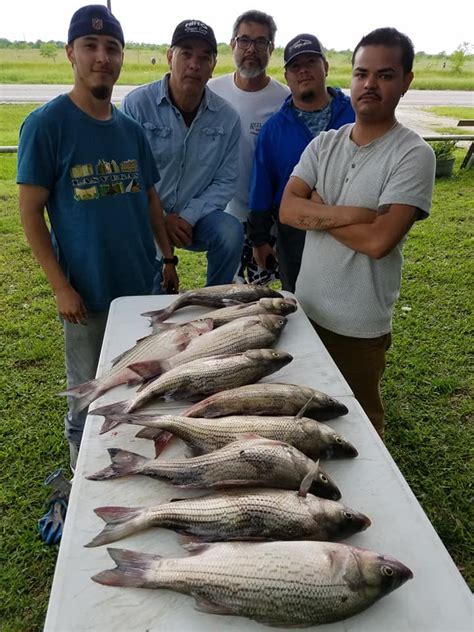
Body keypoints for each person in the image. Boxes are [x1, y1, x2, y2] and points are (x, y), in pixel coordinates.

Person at [17, 4, 178, 470]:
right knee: (87, 394)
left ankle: (128, 462)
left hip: (140, 289)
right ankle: (82, 475)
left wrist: (167, 260)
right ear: (71, 52)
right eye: (91, 46)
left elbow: (150, 199)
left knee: (138, 383)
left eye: (112, 48)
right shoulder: (46, 125)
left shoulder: (130, 129)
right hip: (85, 295)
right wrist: (60, 286)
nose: (102, 57)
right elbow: (30, 215)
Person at [279, 27, 436, 438]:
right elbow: (289, 210)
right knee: (304, 416)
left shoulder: (413, 154)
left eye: (385, 75)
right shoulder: (323, 144)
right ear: (349, 78)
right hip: (305, 311)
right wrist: (359, 214)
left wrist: (320, 206)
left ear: (406, 81)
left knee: (360, 426)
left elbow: (379, 241)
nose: (369, 84)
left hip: (358, 325)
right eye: (361, 73)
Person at [122, 20, 244, 292]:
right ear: (169, 57)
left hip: (195, 221)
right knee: (151, 299)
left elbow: (226, 181)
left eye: (204, 57)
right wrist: (161, 217)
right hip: (146, 217)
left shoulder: (227, 118)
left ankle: (215, 299)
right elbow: (130, 177)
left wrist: (187, 217)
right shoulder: (136, 106)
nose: (194, 64)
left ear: (213, 66)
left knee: (230, 231)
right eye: (186, 53)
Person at [247, 34, 355, 291]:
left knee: (346, 293)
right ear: (287, 76)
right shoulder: (273, 129)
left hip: (350, 221)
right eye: (295, 66)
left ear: (325, 67)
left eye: (311, 62)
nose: (303, 70)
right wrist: (259, 239)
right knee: (298, 298)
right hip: (294, 228)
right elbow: (261, 185)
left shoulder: (355, 114)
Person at [208, 10, 289, 284]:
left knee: (260, 293)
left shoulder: (284, 100)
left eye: (260, 42)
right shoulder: (211, 91)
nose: (251, 49)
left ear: (271, 48)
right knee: (224, 291)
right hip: (222, 216)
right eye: (244, 40)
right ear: (232, 44)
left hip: (266, 218)